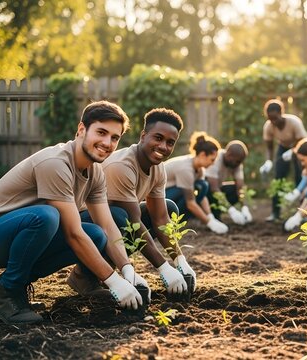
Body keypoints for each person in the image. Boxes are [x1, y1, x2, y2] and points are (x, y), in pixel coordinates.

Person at [0, 101, 146, 324]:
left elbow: (107, 225)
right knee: (47, 217)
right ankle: (8, 297)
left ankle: (10, 284)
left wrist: (127, 270)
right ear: (81, 130)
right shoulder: (55, 163)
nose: (107, 143)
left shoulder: (95, 171)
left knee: (96, 234)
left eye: (114, 138)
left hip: (14, 235)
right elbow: (73, 233)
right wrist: (113, 281)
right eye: (101, 132)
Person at [98, 108, 195, 294]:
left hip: (112, 226)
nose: (163, 147)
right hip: (84, 225)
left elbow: (160, 218)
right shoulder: (122, 166)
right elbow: (133, 223)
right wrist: (163, 268)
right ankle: (85, 277)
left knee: (168, 206)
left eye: (170, 142)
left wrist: (180, 260)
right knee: (121, 217)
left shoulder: (157, 168)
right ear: (143, 136)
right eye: (158, 138)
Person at [164, 131, 229, 234]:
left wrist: (210, 216)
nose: (212, 164)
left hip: (170, 195)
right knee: (188, 190)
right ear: (203, 155)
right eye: (212, 160)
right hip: (157, 197)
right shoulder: (185, 169)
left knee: (203, 185)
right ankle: (167, 221)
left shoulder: (200, 170)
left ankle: (175, 221)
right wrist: (209, 223)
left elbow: (203, 196)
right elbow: (190, 203)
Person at [206, 140, 254, 225]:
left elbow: (240, 187)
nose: (239, 164)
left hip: (218, 188)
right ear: (229, 155)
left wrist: (244, 207)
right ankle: (210, 214)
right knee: (211, 190)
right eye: (237, 161)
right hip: (205, 191)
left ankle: (217, 212)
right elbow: (214, 188)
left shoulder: (237, 164)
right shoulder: (215, 159)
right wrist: (231, 210)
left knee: (234, 189)